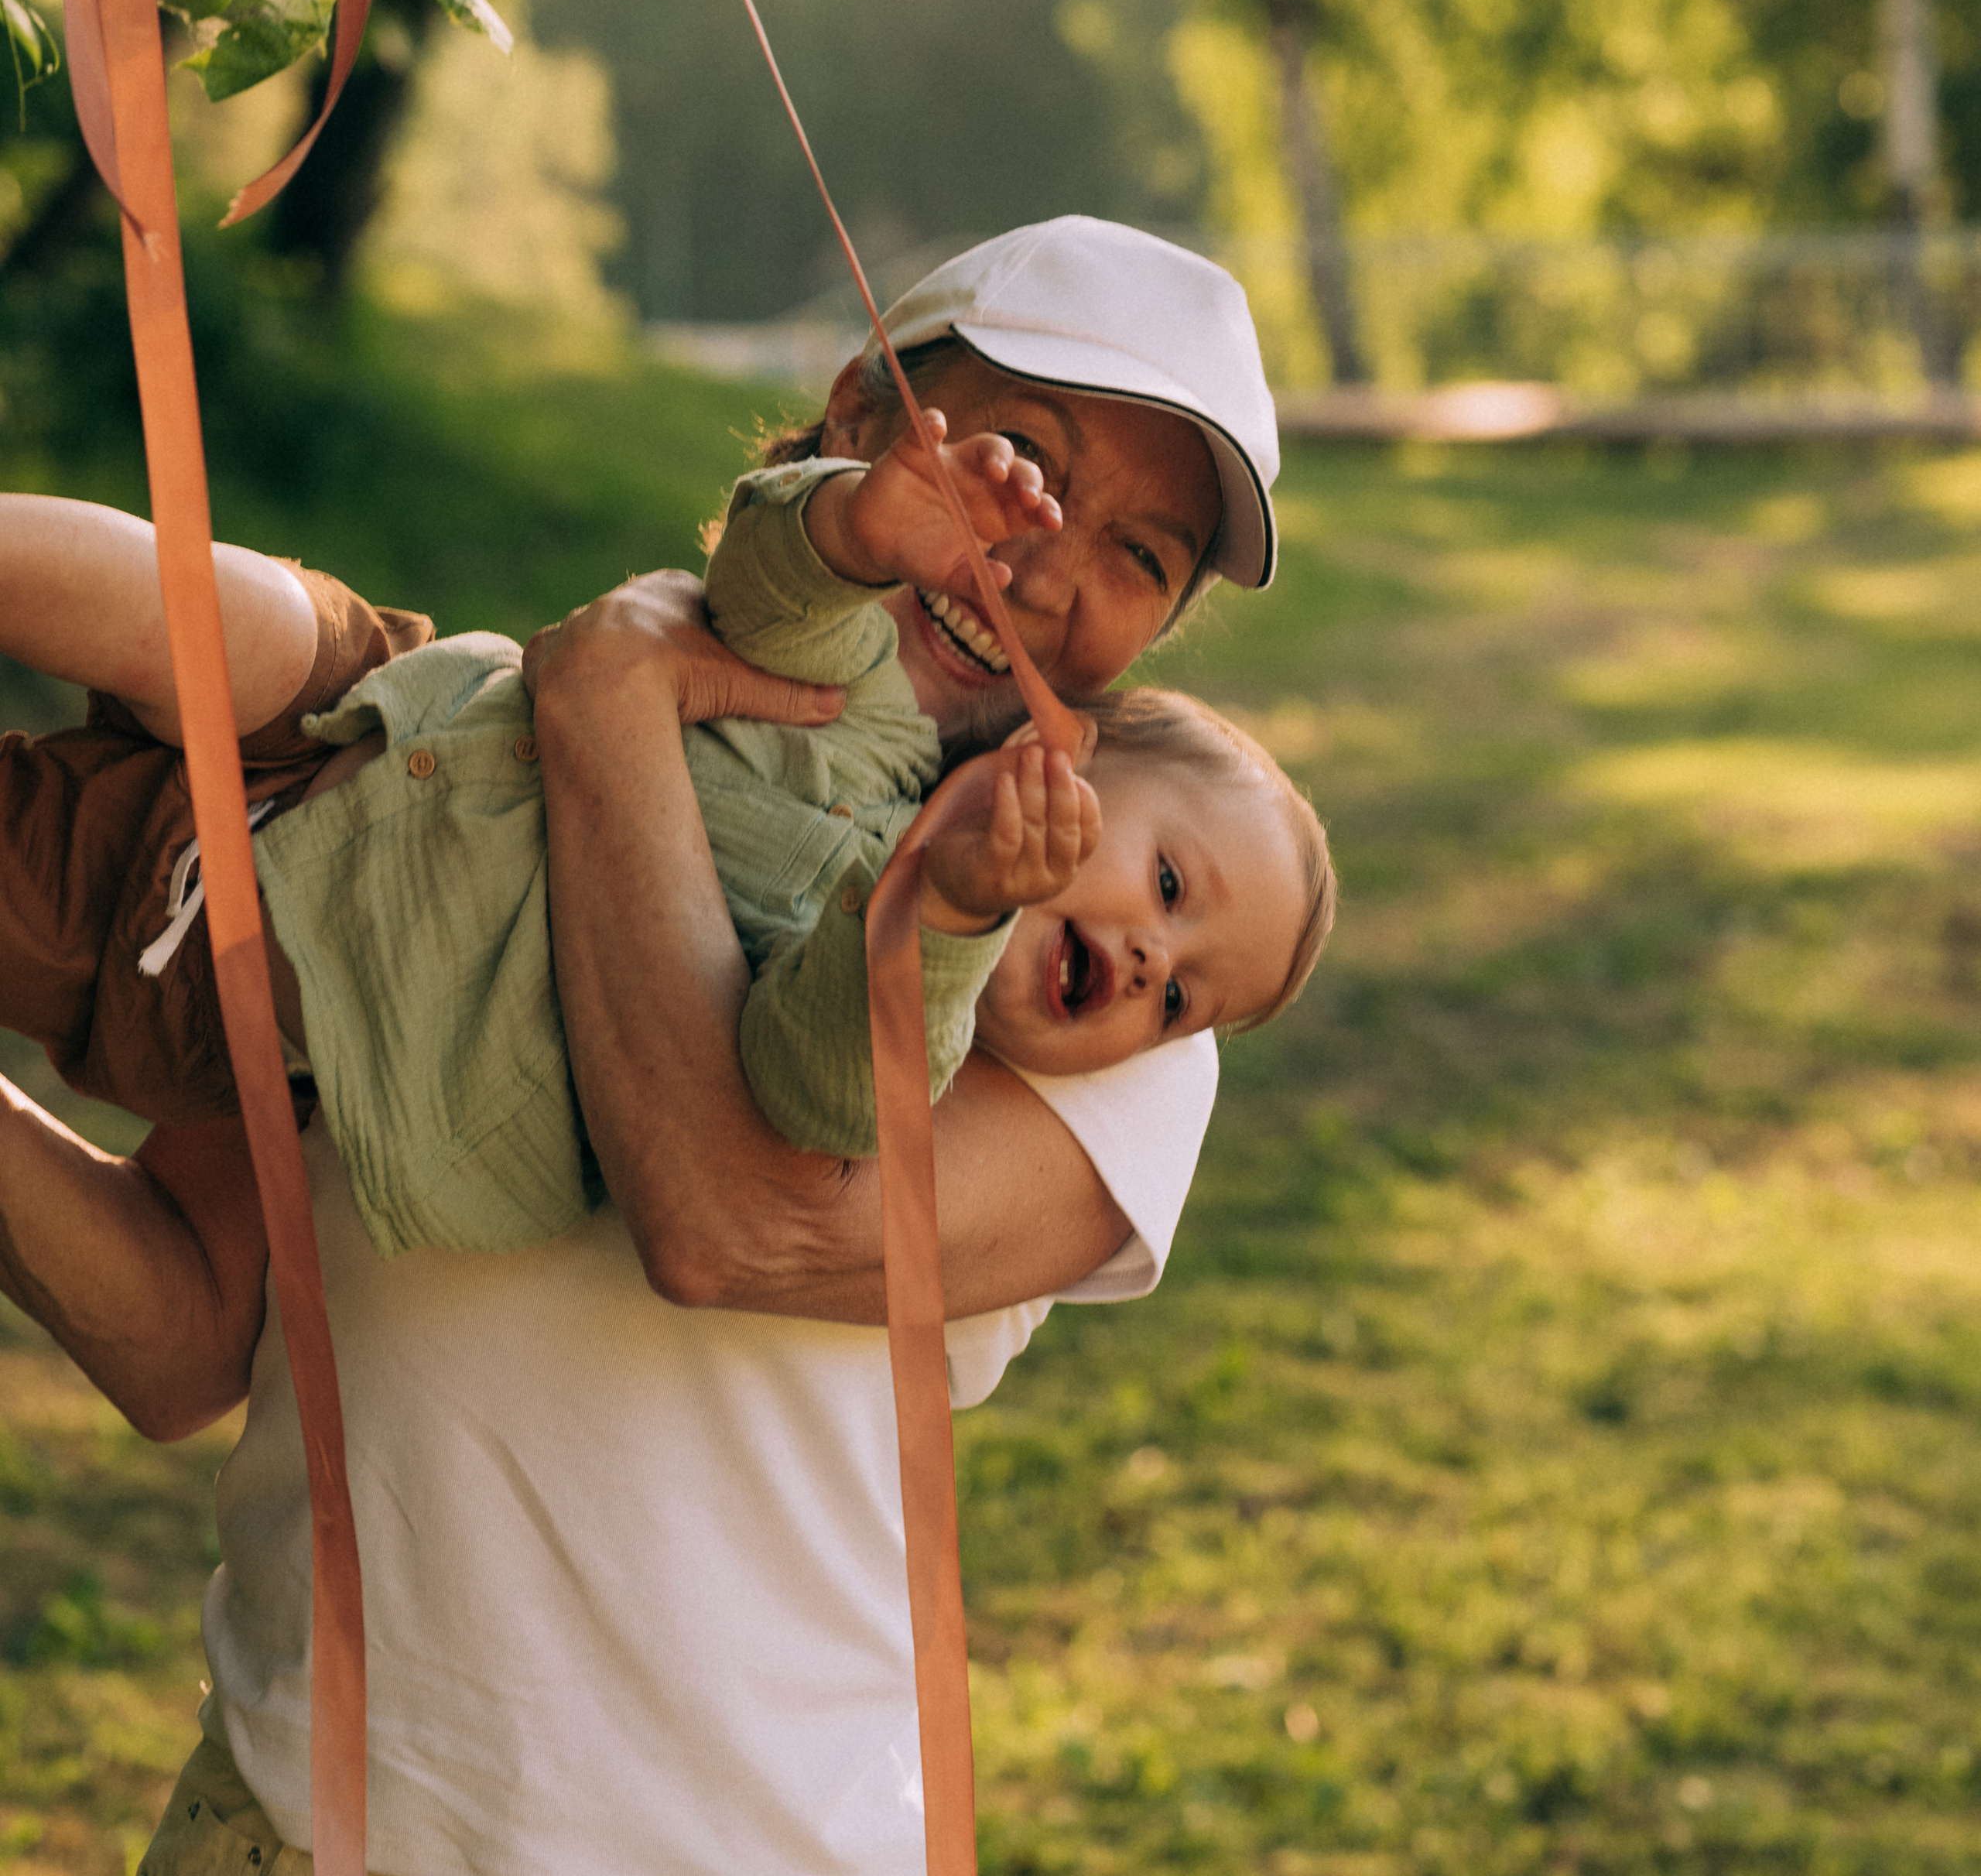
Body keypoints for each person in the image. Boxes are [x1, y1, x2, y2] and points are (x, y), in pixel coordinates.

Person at [0, 217, 1295, 1876]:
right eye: (1024, 464)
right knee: (257, 626)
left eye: (1140, 554)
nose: (1046, 558)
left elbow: (726, 1214)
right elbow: (178, 1332)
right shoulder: (458, 861)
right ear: (863, 410)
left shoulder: (1114, 995)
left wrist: (610, 697)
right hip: (315, 1862)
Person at [0, 425, 1333, 1260]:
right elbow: (767, 597)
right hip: (389, 701)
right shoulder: (881, 700)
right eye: (1167, 885)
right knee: (197, 597)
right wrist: (859, 523)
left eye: (1177, 1004)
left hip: (254, 946)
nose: (1153, 959)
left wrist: (949, 908)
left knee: (34, 874)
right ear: (1072, 747)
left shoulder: (907, 998)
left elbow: (821, 1093)